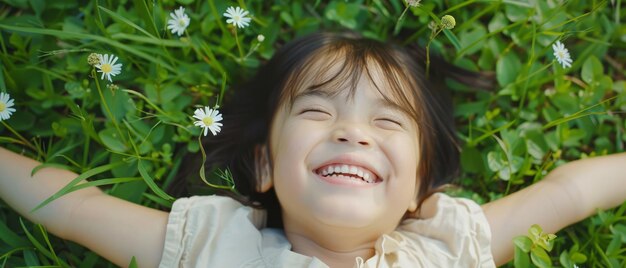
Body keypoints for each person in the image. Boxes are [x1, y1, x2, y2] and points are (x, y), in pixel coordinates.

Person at [1, 31, 625, 268]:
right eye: (319, 111)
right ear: (266, 164)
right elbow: (75, 208)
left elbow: (567, 192)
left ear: (420, 186)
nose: (353, 132)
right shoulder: (213, 246)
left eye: (387, 122)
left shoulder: (444, 247)